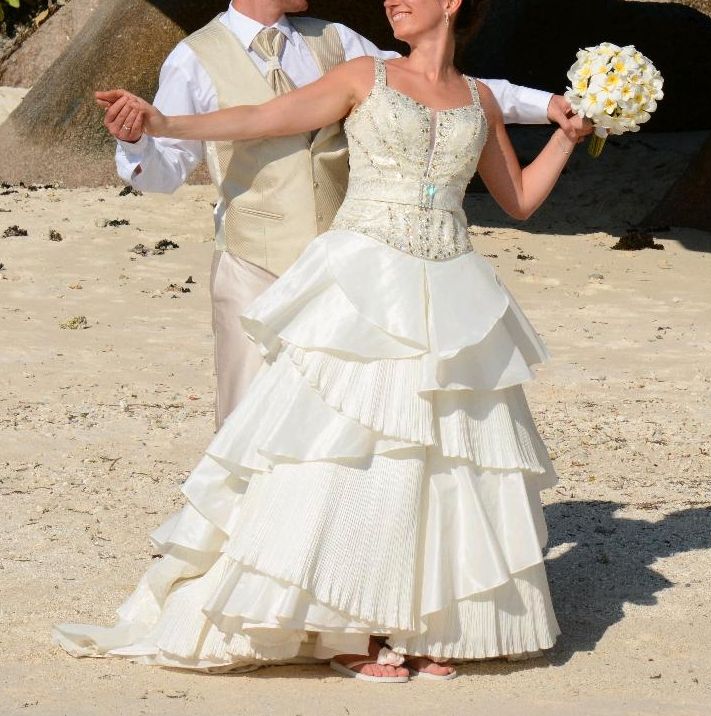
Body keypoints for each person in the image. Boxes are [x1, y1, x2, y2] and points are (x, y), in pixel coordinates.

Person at [53, 0, 592, 682]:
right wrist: (160, 125)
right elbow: (256, 119)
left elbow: (516, 200)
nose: (392, 0)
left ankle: (424, 620)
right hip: (359, 276)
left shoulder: (471, 95)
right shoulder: (363, 73)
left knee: (436, 452)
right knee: (343, 450)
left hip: (448, 282)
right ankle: (337, 625)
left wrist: (566, 132)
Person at [100, 0, 577, 430]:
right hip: (253, 261)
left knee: (339, 422)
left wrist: (551, 107)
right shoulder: (194, 57)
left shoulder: (338, 41)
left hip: (350, 269)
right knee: (249, 419)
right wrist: (143, 135)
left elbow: (431, 87)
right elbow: (176, 167)